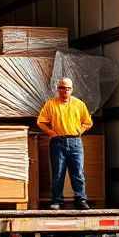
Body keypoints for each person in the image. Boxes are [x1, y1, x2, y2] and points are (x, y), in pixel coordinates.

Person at [37, 78, 93, 210]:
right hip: (58, 142)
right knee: (58, 173)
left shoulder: (79, 104)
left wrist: (81, 130)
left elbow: (88, 122)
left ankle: (81, 200)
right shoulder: (51, 104)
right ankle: (57, 201)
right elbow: (41, 122)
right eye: (62, 88)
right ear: (58, 89)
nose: (65, 91)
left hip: (75, 142)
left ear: (71, 90)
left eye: (68, 88)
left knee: (78, 173)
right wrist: (51, 133)